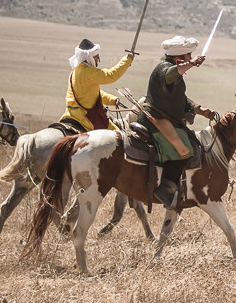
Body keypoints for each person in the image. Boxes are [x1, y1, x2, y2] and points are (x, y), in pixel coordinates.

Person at [137, 36, 218, 209]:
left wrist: (200, 110)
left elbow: (182, 99)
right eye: (188, 55)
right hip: (156, 120)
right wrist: (193, 63)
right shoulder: (164, 69)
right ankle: (165, 188)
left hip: (166, 119)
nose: (190, 57)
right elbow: (171, 74)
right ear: (178, 58)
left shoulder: (174, 72)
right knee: (185, 151)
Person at [60, 38, 134, 132]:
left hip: (71, 114)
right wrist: (127, 60)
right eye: (96, 56)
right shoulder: (88, 72)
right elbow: (110, 75)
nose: (98, 58)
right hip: (84, 117)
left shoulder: (75, 71)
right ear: (89, 58)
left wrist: (112, 100)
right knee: (118, 135)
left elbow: (90, 94)